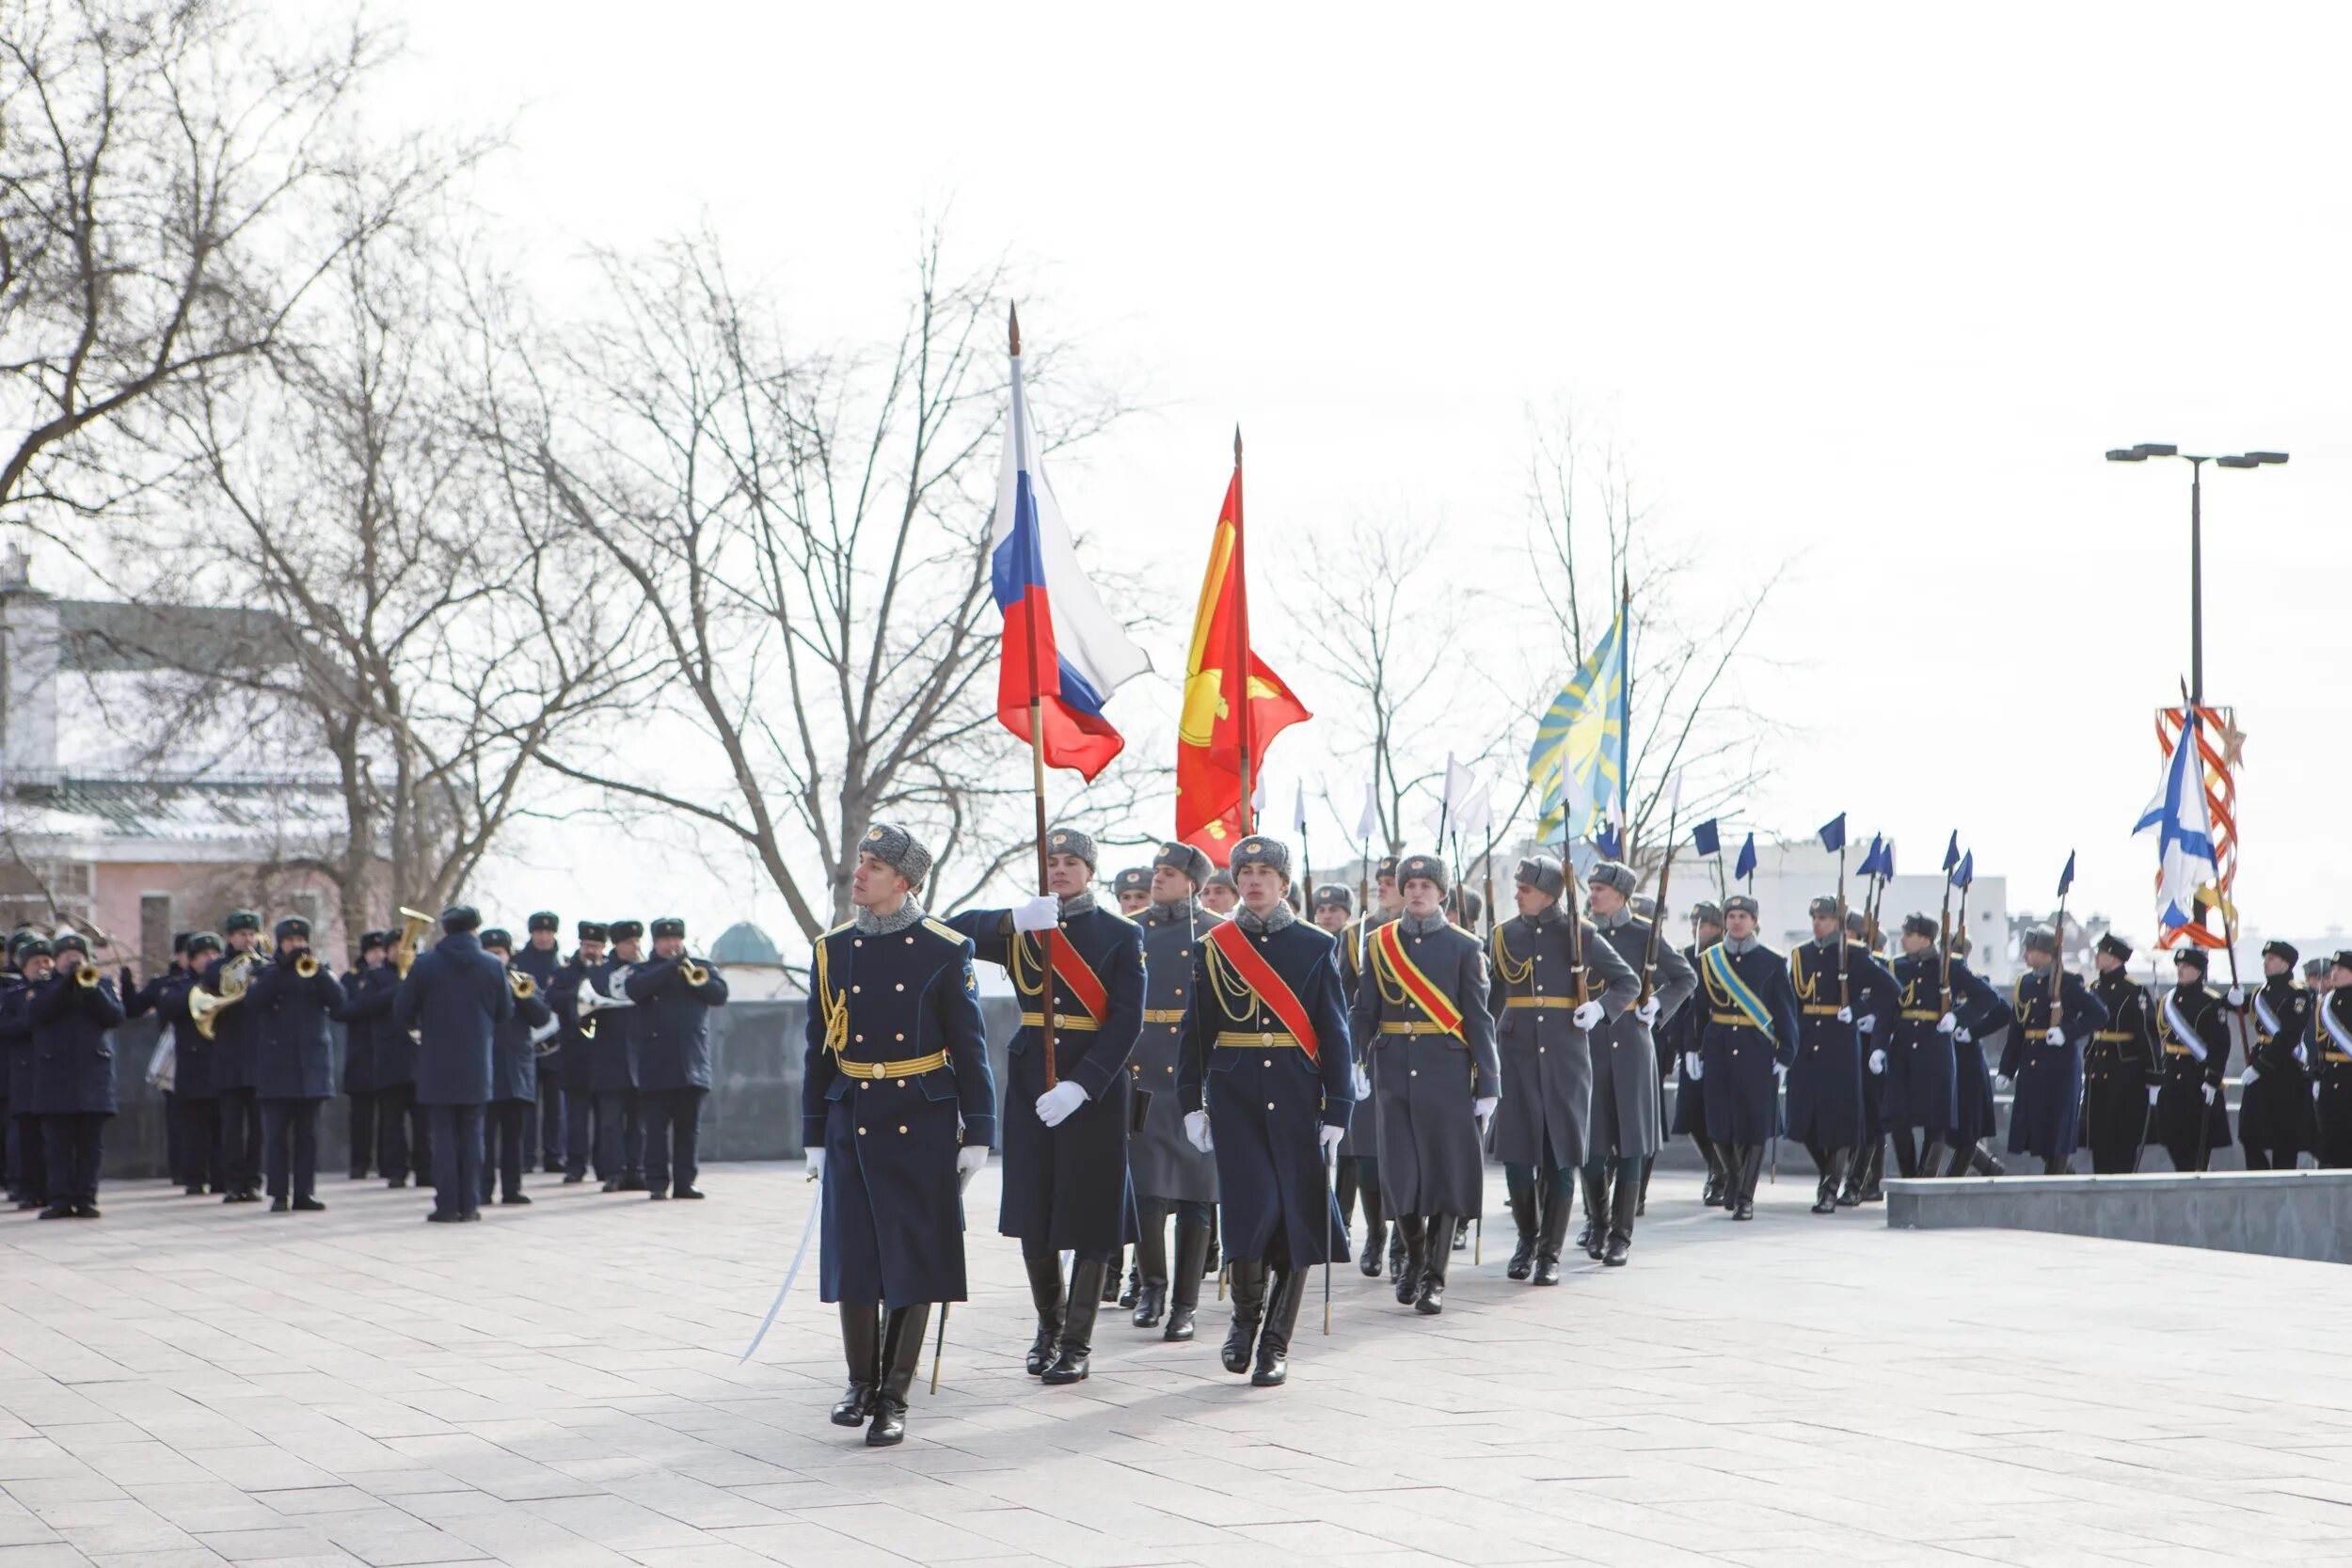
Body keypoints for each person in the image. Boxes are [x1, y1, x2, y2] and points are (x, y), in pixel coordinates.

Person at [804, 823, 993, 1447]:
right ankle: (860, 1383)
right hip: (852, 1114)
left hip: (921, 1115)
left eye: (875, 864)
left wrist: (978, 1130)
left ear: (904, 880)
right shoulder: (833, 948)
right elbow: (818, 1049)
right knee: (855, 1254)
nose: (859, 872)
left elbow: (971, 1047)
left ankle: (893, 1394)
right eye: (860, 860)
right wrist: (812, 1132)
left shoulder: (945, 948)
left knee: (913, 1258)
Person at [949, 826, 1145, 1385]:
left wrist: (1084, 1084)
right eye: (1051, 861)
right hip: (1033, 1080)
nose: (1059, 870)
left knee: (1090, 1214)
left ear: (1090, 870)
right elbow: (945, 932)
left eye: (1070, 862)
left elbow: (1127, 1019)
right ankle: (1049, 1327)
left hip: (1093, 1090)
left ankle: (1078, 1343)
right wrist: (1012, 919)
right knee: (1034, 1211)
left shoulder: (1118, 933)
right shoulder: (1024, 927)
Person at [1178, 833, 1352, 1386]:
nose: (1252, 880)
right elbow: (1196, 1031)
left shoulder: (1315, 944)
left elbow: (1334, 1031)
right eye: (1244, 871)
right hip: (1237, 1097)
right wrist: (1190, 1103)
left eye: (1264, 872)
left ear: (1283, 882)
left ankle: (1276, 1343)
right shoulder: (1215, 945)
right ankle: (1243, 1324)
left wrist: (1338, 1106)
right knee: (1249, 1212)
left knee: (1296, 1216)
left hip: (1299, 1095)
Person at [1352, 853, 1497, 1313]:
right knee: (1400, 1176)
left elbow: (1478, 1017)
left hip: (1447, 1071)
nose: (1415, 892)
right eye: (1409, 884)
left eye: (1425, 886)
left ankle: (1435, 1276)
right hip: (1393, 1072)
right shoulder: (1378, 943)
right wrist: (1353, 1059)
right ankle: (1414, 1255)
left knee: (1446, 1173)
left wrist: (1489, 1082)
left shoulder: (1464, 946)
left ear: (1441, 894)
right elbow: (1365, 1011)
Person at [1127, 843, 1220, 1341]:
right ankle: (1151, 1288)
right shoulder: (1133, 928)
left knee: (1196, 1196)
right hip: (1142, 1070)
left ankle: (1185, 1304)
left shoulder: (1216, 933)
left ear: (1193, 882)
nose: (1156, 878)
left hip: (1195, 1073)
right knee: (1146, 1191)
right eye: (1156, 870)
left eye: (1168, 872)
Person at [1575, 860, 1688, 1263]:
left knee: (1631, 1145)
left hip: (1632, 1048)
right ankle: (1598, 1222)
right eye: (1591, 887)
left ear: (1621, 895)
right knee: (1590, 1147)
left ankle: (1621, 1235)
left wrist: (1658, 1004)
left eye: (1600, 889)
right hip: (1589, 1050)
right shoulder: (1580, 934)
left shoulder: (1644, 934)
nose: (1593, 895)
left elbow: (1684, 977)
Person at [395, 905, 513, 1222]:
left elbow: (402, 1009)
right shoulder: (491, 965)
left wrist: (423, 1025)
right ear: (475, 929)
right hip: (476, 1063)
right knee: (474, 1135)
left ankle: (447, 1205)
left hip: (436, 1063)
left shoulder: (426, 964)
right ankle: (470, 1204)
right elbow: (505, 1012)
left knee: (443, 1134)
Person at [1787, 895, 1900, 1212]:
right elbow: (1792, 1000)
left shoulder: (1854, 955)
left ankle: (1829, 1189)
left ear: (1838, 922)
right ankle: (1829, 1174)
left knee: (1837, 1120)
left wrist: (1858, 1009)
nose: (1817, 923)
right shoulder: (1801, 955)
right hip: (1807, 1041)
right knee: (1803, 1119)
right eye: (1815, 917)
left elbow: (1890, 989)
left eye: (1824, 917)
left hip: (1839, 1042)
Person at [1692, 895, 1802, 1220]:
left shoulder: (1772, 961)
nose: (1737, 921)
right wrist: (1690, 1048)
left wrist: (1785, 1052)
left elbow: (1786, 1011)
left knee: (1754, 1126)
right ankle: (1736, 1180)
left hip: (1757, 1049)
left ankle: (1744, 1197)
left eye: (1743, 916)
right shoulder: (1709, 959)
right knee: (1719, 1126)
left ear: (1755, 922)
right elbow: (1697, 1011)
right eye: (1732, 915)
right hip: (1719, 1047)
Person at [1883, 913, 1995, 1180]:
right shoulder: (1895, 966)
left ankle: (1926, 1177)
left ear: (1924, 938)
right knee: (1898, 1117)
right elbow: (1887, 1005)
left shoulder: (1950, 965)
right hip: (1902, 1050)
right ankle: (1909, 1178)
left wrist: (1958, 1017)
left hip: (1935, 1048)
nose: (1904, 939)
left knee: (1937, 1118)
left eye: (1909, 934)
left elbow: (1987, 998)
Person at [244, 916, 343, 1212]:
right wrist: (282, 968)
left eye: (300, 942)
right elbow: (255, 1002)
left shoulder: (318, 971)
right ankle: (278, 1194)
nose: (296, 947)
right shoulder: (267, 972)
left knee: (308, 1135)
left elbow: (339, 1002)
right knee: (276, 1136)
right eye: (290, 942)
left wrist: (320, 975)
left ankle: (304, 1192)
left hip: (311, 1066)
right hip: (277, 1066)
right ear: (280, 943)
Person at [628, 917, 729, 1200]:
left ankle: (685, 1182)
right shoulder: (642, 970)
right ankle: (657, 1183)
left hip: (692, 1063)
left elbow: (719, 994)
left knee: (688, 1130)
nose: (672, 945)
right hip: (656, 1064)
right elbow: (636, 990)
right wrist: (670, 967)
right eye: (665, 940)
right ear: (655, 942)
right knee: (656, 1130)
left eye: (676, 940)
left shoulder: (700, 967)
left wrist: (689, 972)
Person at [1995, 927, 2110, 1175]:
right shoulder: (2023, 984)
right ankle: (2064, 1177)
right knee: (2037, 1130)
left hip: (2059, 1067)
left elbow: (2099, 1014)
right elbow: (2017, 1030)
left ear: (2047, 953)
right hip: (2031, 1066)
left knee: (2057, 1131)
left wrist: (2067, 1032)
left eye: (2031, 950)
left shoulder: (2068, 983)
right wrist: (2007, 1069)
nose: (2025, 955)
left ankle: (2055, 1180)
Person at [1340, 855, 1405, 1280]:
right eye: (1379, 880)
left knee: (1402, 1152)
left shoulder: (1424, 936)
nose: (1382, 886)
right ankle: (1376, 1234)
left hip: (1408, 1054)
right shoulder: (1354, 936)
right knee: (1365, 1153)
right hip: (1367, 1053)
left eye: (1391, 881)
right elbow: (1342, 997)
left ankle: (1402, 1238)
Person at [30, 931, 123, 1218]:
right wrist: (66, 984)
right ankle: (59, 1199)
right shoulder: (43, 987)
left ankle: (86, 1197)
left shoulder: (101, 984)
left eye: (78, 958)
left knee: (90, 1144)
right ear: (56, 960)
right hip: (55, 1075)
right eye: (67, 959)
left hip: (93, 1076)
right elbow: (38, 1015)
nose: (74, 963)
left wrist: (90, 989)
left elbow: (115, 1016)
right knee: (57, 1144)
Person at [479, 927, 556, 1206]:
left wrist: (522, 994)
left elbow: (542, 1017)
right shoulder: (475, 981)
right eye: (488, 953)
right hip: (485, 1067)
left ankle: (512, 1188)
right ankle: (483, 1189)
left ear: (508, 954)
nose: (495, 958)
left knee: (515, 1136)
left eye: (498, 953)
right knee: (484, 1136)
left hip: (516, 1069)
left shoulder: (524, 980)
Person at [2228, 940, 2314, 1171]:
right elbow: (2239, 1007)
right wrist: (2230, 999)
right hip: (2259, 1063)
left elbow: (2289, 1036)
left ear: (2285, 964)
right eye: (2265, 959)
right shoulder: (2259, 992)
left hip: (2283, 1068)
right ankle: (2259, 1177)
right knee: (2249, 1133)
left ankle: (2281, 1181)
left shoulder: (2298, 995)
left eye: (2272, 959)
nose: (2266, 963)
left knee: (2284, 1137)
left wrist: (2260, 1067)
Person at [2083, 934, 2163, 1173]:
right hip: (2099, 1072)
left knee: (2122, 1139)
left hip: (2124, 1074)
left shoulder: (2133, 991)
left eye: (2101, 952)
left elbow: (2147, 1035)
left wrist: (2154, 1075)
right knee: (2100, 1140)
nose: (2097, 957)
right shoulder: (2095, 987)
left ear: (2114, 957)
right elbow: (2093, 1032)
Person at [1664, 902, 1727, 1205]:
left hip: (1721, 1043)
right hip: (1690, 1045)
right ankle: (1714, 1166)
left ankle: (1721, 1173)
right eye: (1693, 923)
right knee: (1690, 1115)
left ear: (1718, 928)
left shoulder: (1724, 955)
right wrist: (1679, 1045)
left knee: (1719, 1116)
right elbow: (1681, 1007)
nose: (1695, 929)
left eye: (1702, 924)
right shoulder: (1686, 956)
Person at [203, 911, 267, 1204]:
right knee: (231, 1127)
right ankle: (232, 1182)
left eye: (252, 934)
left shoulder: (267, 966)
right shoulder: (217, 967)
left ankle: (253, 1181)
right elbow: (212, 992)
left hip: (258, 1055)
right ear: (230, 937)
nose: (248, 939)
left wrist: (260, 973)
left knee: (258, 1127)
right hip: (229, 1055)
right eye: (242, 934)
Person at [2153, 946, 2233, 1172]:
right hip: (2172, 1079)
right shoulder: (2168, 1000)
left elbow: (2220, 1044)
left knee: (2199, 1144)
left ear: (2199, 971)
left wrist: (2213, 1078)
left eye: (2186, 966)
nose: (2180, 969)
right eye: (2178, 965)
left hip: (2197, 1078)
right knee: (2173, 1140)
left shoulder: (2211, 1002)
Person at [123, 935, 191, 1187]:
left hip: (209, 1055)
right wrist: (127, 983)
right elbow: (133, 1009)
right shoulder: (163, 984)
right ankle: (180, 1169)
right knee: (176, 1116)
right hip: (175, 1055)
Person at [589, 920, 648, 1192]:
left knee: (639, 1122)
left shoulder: (646, 971)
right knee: (610, 1123)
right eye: (629, 943)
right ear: (617, 945)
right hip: (609, 1056)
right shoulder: (600, 973)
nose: (634, 946)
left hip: (641, 1056)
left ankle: (637, 1170)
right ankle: (614, 1172)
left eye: (637, 942)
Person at [548, 922, 608, 1184]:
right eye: (587, 946)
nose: (591, 951)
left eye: (595, 946)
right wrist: (580, 995)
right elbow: (552, 998)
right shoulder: (565, 972)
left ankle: (604, 1165)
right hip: (575, 1053)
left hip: (604, 1053)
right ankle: (575, 1165)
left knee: (606, 1117)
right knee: (576, 1117)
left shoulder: (608, 971)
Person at [165, 933, 222, 1195]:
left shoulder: (227, 983)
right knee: (193, 1127)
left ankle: (223, 1177)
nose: (210, 960)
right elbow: (169, 1008)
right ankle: (194, 1178)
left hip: (222, 1062)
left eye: (214, 955)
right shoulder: (179, 985)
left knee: (224, 1125)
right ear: (192, 960)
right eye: (204, 956)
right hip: (192, 1064)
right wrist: (201, 987)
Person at [517, 912, 565, 1172]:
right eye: (539, 932)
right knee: (527, 1103)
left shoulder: (563, 964)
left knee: (555, 1104)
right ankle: (526, 1156)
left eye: (548, 933)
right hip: (526, 1041)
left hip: (557, 1044)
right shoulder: (518, 962)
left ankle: (554, 1155)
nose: (544, 937)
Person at [3, 934, 48, 1211]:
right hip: (23, 1072)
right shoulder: (12, 995)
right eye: (35, 962)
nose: (42, 966)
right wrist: (34, 1016)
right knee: (25, 1136)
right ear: (23, 967)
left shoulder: (59, 991)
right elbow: (7, 1027)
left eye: (46, 960)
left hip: (53, 1072)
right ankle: (27, 1188)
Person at [335, 932, 382, 1180]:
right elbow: (343, 1010)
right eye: (373, 951)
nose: (378, 955)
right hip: (361, 1054)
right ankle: (359, 1163)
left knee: (389, 1116)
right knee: (361, 1116)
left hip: (386, 1053)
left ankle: (388, 1163)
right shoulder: (351, 979)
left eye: (382, 950)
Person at [2311, 953, 2352, 1168]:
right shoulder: (2325, 1002)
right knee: (2328, 1138)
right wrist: (2317, 1073)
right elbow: (2318, 1043)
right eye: (2332, 969)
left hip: (2349, 1078)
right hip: (2330, 1079)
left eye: (2341, 970)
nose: (2333, 974)